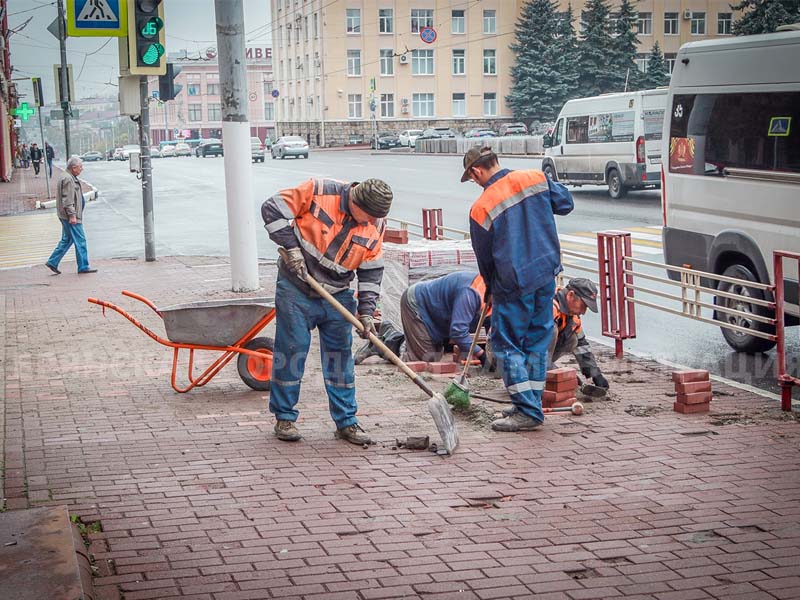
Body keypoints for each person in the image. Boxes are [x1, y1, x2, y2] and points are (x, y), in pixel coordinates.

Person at [261, 177, 393, 445]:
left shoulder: (375, 224)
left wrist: (366, 312)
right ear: (354, 200)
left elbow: (370, 272)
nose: (368, 223)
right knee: (292, 350)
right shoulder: (319, 191)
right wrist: (292, 249)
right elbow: (271, 209)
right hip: (297, 287)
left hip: (338, 294)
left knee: (339, 358)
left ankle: (346, 422)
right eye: (365, 216)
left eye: (373, 219)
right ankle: (284, 418)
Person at [463, 146, 574, 432]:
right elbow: (565, 204)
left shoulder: (481, 207)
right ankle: (530, 403)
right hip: (546, 274)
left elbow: (484, 258)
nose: (475, 182)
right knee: (537, 341)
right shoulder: (534, 178)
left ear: (476, 171)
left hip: (514, 284)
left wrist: (489, 289)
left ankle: (527, 409)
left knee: (504, 345)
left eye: (472, 178)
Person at [354, 270, 489, 366]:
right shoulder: (471, 293)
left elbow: (494, 327)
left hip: (436, 315)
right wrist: (482, 355)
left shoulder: (496, 295)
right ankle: (380, 345)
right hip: (417, 305)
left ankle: (390, 333)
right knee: (425, 359)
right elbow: (458, 331)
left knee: (436, 354)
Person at [550, 278, 608, 388]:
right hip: (519, 356)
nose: (583, 312)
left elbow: (582, 345)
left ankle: (543, 371)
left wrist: (595, 374)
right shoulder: (548, 309)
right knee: (552, 331)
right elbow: (538, 354)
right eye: (583, 305)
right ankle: (534, 374)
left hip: (537, 357)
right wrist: (564, 377)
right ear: (571, 295)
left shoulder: (571, 316)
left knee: (573, 339)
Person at [45, 156, 97, 275]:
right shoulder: (68, 179)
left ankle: (53, 261)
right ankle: (83, 266)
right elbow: (67, 200)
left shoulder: (68, 176)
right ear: (73, 168)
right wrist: (72, 216)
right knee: (80, 240)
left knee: (67, 240)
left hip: (66, 215)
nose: (81, 169)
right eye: (80, 167)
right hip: (70, 217)